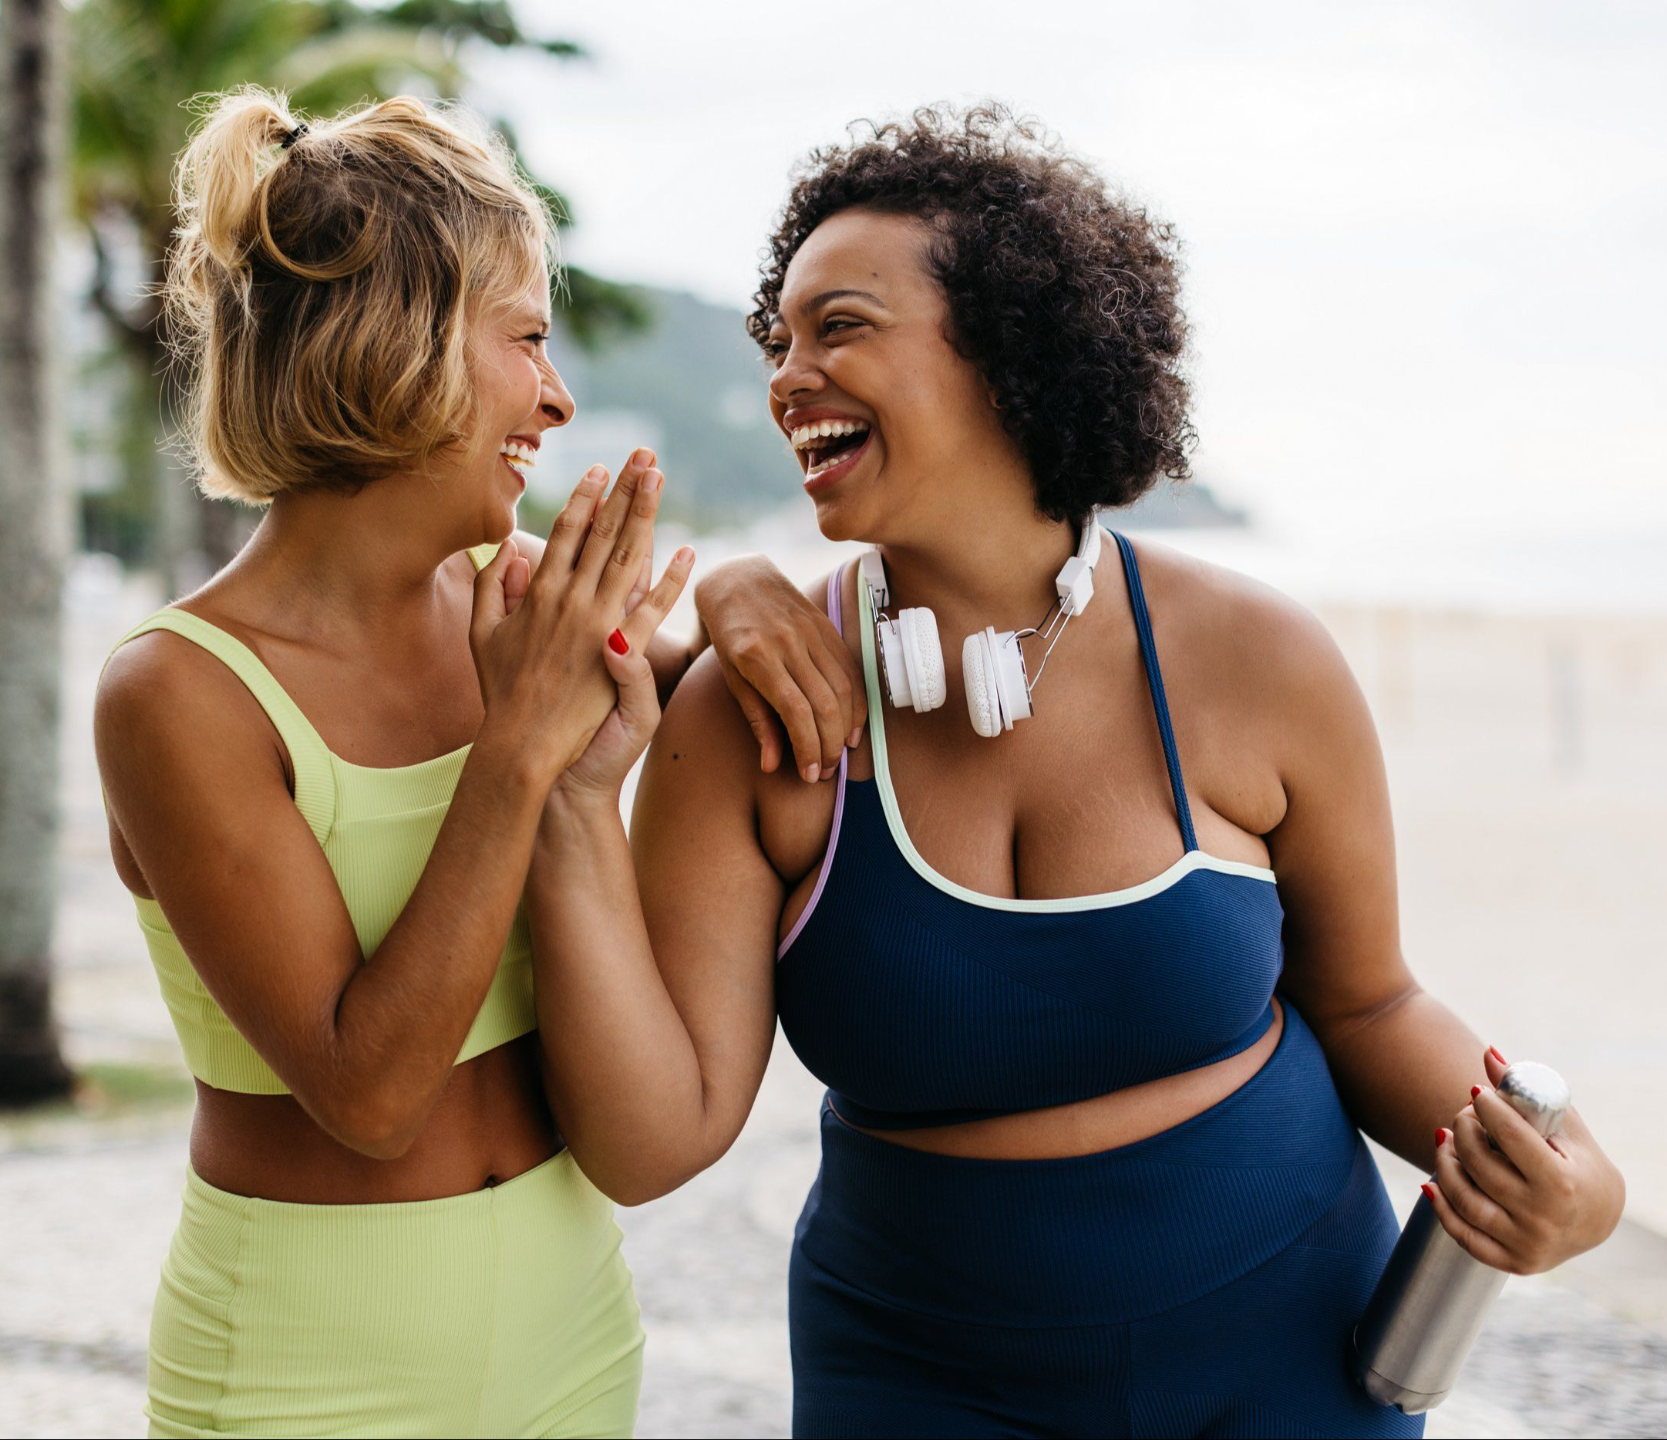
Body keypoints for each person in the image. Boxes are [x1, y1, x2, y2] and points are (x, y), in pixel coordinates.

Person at [519, 107, 1627, 1438]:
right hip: (918, 1382)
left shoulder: (1258, 658)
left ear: (1007, 348)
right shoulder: (746, 713)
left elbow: (1373, 1002)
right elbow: (653, 1141)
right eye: (781, 340)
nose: (788, 377)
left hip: (1291, 1363)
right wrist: (572, 797)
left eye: (842, 326)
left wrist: (1578, 1189)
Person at [94, 89, 857, 1438]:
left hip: (573, 1332)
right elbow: (369, 1091)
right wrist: (514, 755)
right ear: (399, 347)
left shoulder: (512, 601)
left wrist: (741, 590)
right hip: (301, 1374)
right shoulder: (179, 694)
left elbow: (702, 695)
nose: (557, 398)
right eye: (525, 341)